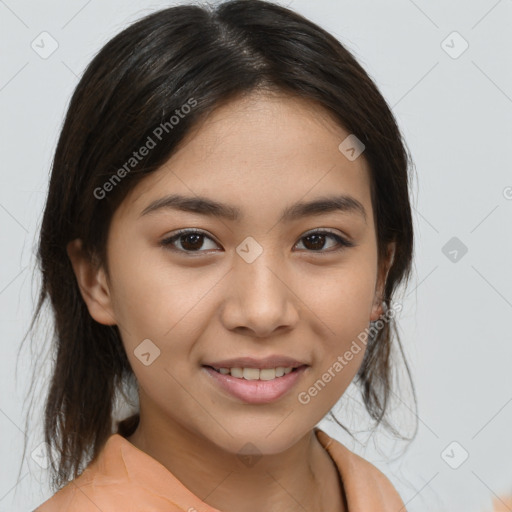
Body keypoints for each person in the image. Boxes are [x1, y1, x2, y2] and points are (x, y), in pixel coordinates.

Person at [28, 1, 419, 510]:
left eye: (318, 240)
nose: (262, 312)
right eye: (192, 241)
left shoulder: (370, 493)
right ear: (95, 277)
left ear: (380, 276)